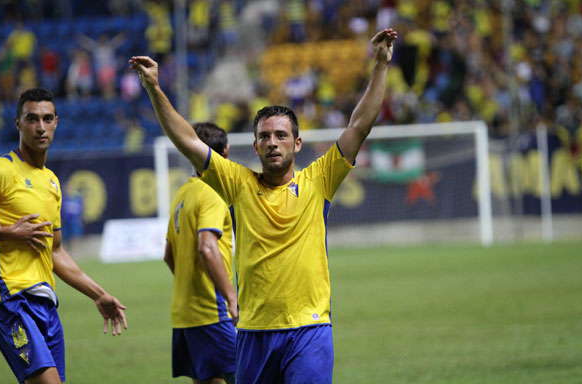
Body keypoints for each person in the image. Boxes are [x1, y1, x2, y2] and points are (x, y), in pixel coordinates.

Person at [131, 28, 397, 383]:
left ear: (297, 143)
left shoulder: (318, 180)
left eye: (281, 135)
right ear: (255, 146)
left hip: (309, 329)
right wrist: (154, 88)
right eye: (265, 137)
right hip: (253, 333)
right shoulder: (237, 183)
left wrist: (380, 64)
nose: (273, 143)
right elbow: (187, 140)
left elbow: (359, 124)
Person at [0, 88, 128, 384]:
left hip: (46, 303)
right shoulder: (0, 171)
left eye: (47, 118)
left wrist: (99, 294)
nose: (40, 127)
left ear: (56, 122)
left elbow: (55, 252)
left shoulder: (52, 183)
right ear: (17, 123)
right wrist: (8, 231)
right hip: (10, 300)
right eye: (32, 119)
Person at [164, 122, 237, 384]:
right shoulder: (213, 192)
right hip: (212, 311)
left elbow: (168, 255)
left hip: (183, 313)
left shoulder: (182, 193)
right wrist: (231, 297)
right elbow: (207, 247)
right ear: (226, 152)